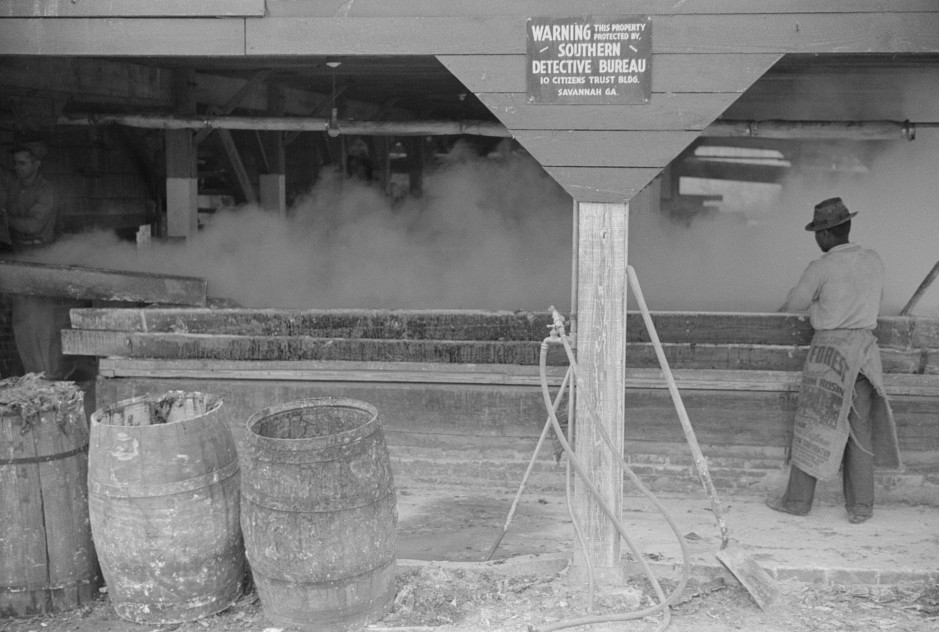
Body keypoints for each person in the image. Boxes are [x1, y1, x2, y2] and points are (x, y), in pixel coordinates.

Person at [767, 197, 900, 524]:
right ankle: (861, 508)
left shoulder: (821, 267)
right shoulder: (874, 260)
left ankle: (798, 502)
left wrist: (793, 309)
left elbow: (795, 305)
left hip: (829, 355)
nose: (816, 238)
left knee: (815, 425)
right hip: (864, 357)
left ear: (825, 235)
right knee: (860, 430)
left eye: (817, 232)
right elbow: (874, 301)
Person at [0, 141, 73, 380]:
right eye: (15, 164)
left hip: (41, 259)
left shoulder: (46, 191)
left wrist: (5, 219)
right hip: (19, 259)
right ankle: (34, 378)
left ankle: (50, 378)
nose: (17, 168)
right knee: (22, 323)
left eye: (22, 163)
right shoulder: (13, 187)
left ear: (36, 164)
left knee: (43, 325)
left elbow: (33, 226)